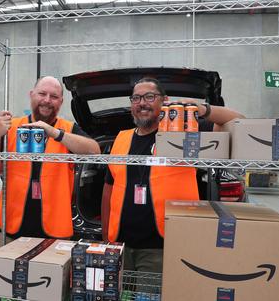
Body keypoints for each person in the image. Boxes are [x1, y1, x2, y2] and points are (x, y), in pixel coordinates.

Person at [101, 77, 244, 273]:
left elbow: (239, 121)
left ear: (165, 100)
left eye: (149, 97)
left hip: (162, 247)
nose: (142, 103)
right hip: (120, 244)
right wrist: (106, 239)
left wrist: (202, 110)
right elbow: (108, 190)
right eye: (136, 98)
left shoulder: (185, 135)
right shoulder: (121, 138)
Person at [0, 76, 100, 249]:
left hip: (54, 237)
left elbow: (94, 151)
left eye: (54, 96)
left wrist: (55, 133)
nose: (47, 100)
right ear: (31, 95)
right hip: (9, 232)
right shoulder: (10, 127)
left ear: (61, 101)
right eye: (42, 93)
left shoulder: (67, 129)